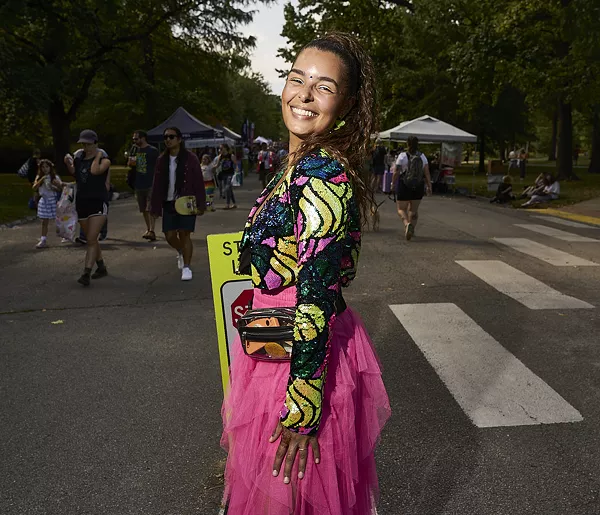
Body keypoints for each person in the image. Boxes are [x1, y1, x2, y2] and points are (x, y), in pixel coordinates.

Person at [221, 31, 390, 515]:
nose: (305, 95)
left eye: (324, 86)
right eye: (297, 79)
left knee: (289, 493)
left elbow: (315, 296)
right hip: (274, 345)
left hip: (300, 358)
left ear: (348, 104)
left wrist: (302, 411)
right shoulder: (293, 164)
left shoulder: (320, 173)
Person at [149, 127, 206, 281]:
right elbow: (157, 184)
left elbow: (199, 182)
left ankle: (186, 267)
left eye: (171, 137)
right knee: (169, 235)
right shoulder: (162, 160)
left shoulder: (190, 158)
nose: (168, 140)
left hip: (186, 202)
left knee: (185, 233)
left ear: (179, 139)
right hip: (168, 202)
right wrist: (154, 206)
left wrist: (201, 204)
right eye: (166, 137)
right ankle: (181, 250)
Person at [64, 130, 111, 286]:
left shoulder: (104, 160)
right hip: (82, 201)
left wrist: (97, 155)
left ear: (96, 144)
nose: (86, 147)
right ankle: (102, 267)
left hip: (98, 201)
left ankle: (86, 273)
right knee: (92, 238)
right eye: (83, 144)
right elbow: (76, 174)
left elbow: (95, 171)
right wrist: (68, 163)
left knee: (91, 239)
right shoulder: (79, 158)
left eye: (89, 144)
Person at [391, 135, 432, 240]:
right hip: (418, 186)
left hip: (404, 185)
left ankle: (406, 224)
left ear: (407, 144)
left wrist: (392, 184)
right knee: (414, 210)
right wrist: (429, 186)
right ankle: (412, 229)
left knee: (401, 209)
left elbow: (396, 172)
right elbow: (426, 173)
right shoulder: (422, 157)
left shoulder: (402, 156)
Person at [127, 130, 159, 241]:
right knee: (143, 209)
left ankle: (152, 230)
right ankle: (148, 228)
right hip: (138, 183)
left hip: (151, 182)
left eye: (136, 138)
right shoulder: (134, 149)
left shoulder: (152, 151)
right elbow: (129, 163)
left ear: (143, 138)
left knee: (150, 208)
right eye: (133, 139)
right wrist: (131, 161)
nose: (134, 141)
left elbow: (158, 166)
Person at [32, 159, 62, 248]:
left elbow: (60, 188)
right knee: (44, 221)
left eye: (47, 167)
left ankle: (64, 234)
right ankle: (43, 239)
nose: (45, 169)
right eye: (43, 167)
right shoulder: (39, 177)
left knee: (58, 220)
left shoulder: (54, 177)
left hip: (53, 200)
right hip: (44, 200)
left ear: (50, 167)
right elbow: (34, 187)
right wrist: (41, 180)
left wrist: (54, 187)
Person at [216, 143, 238, 209]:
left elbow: (236, 164)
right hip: (224, 174)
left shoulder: (231, 155)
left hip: (230, 174)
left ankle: (227, 204)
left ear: (225, 148)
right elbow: (217, 165)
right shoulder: (220, 156)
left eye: (221, 148)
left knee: (227, 188)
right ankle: (234, 203)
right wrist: (212, 168)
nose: (220, 150)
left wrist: (236, 172)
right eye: (219, 149)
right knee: (229, 190)